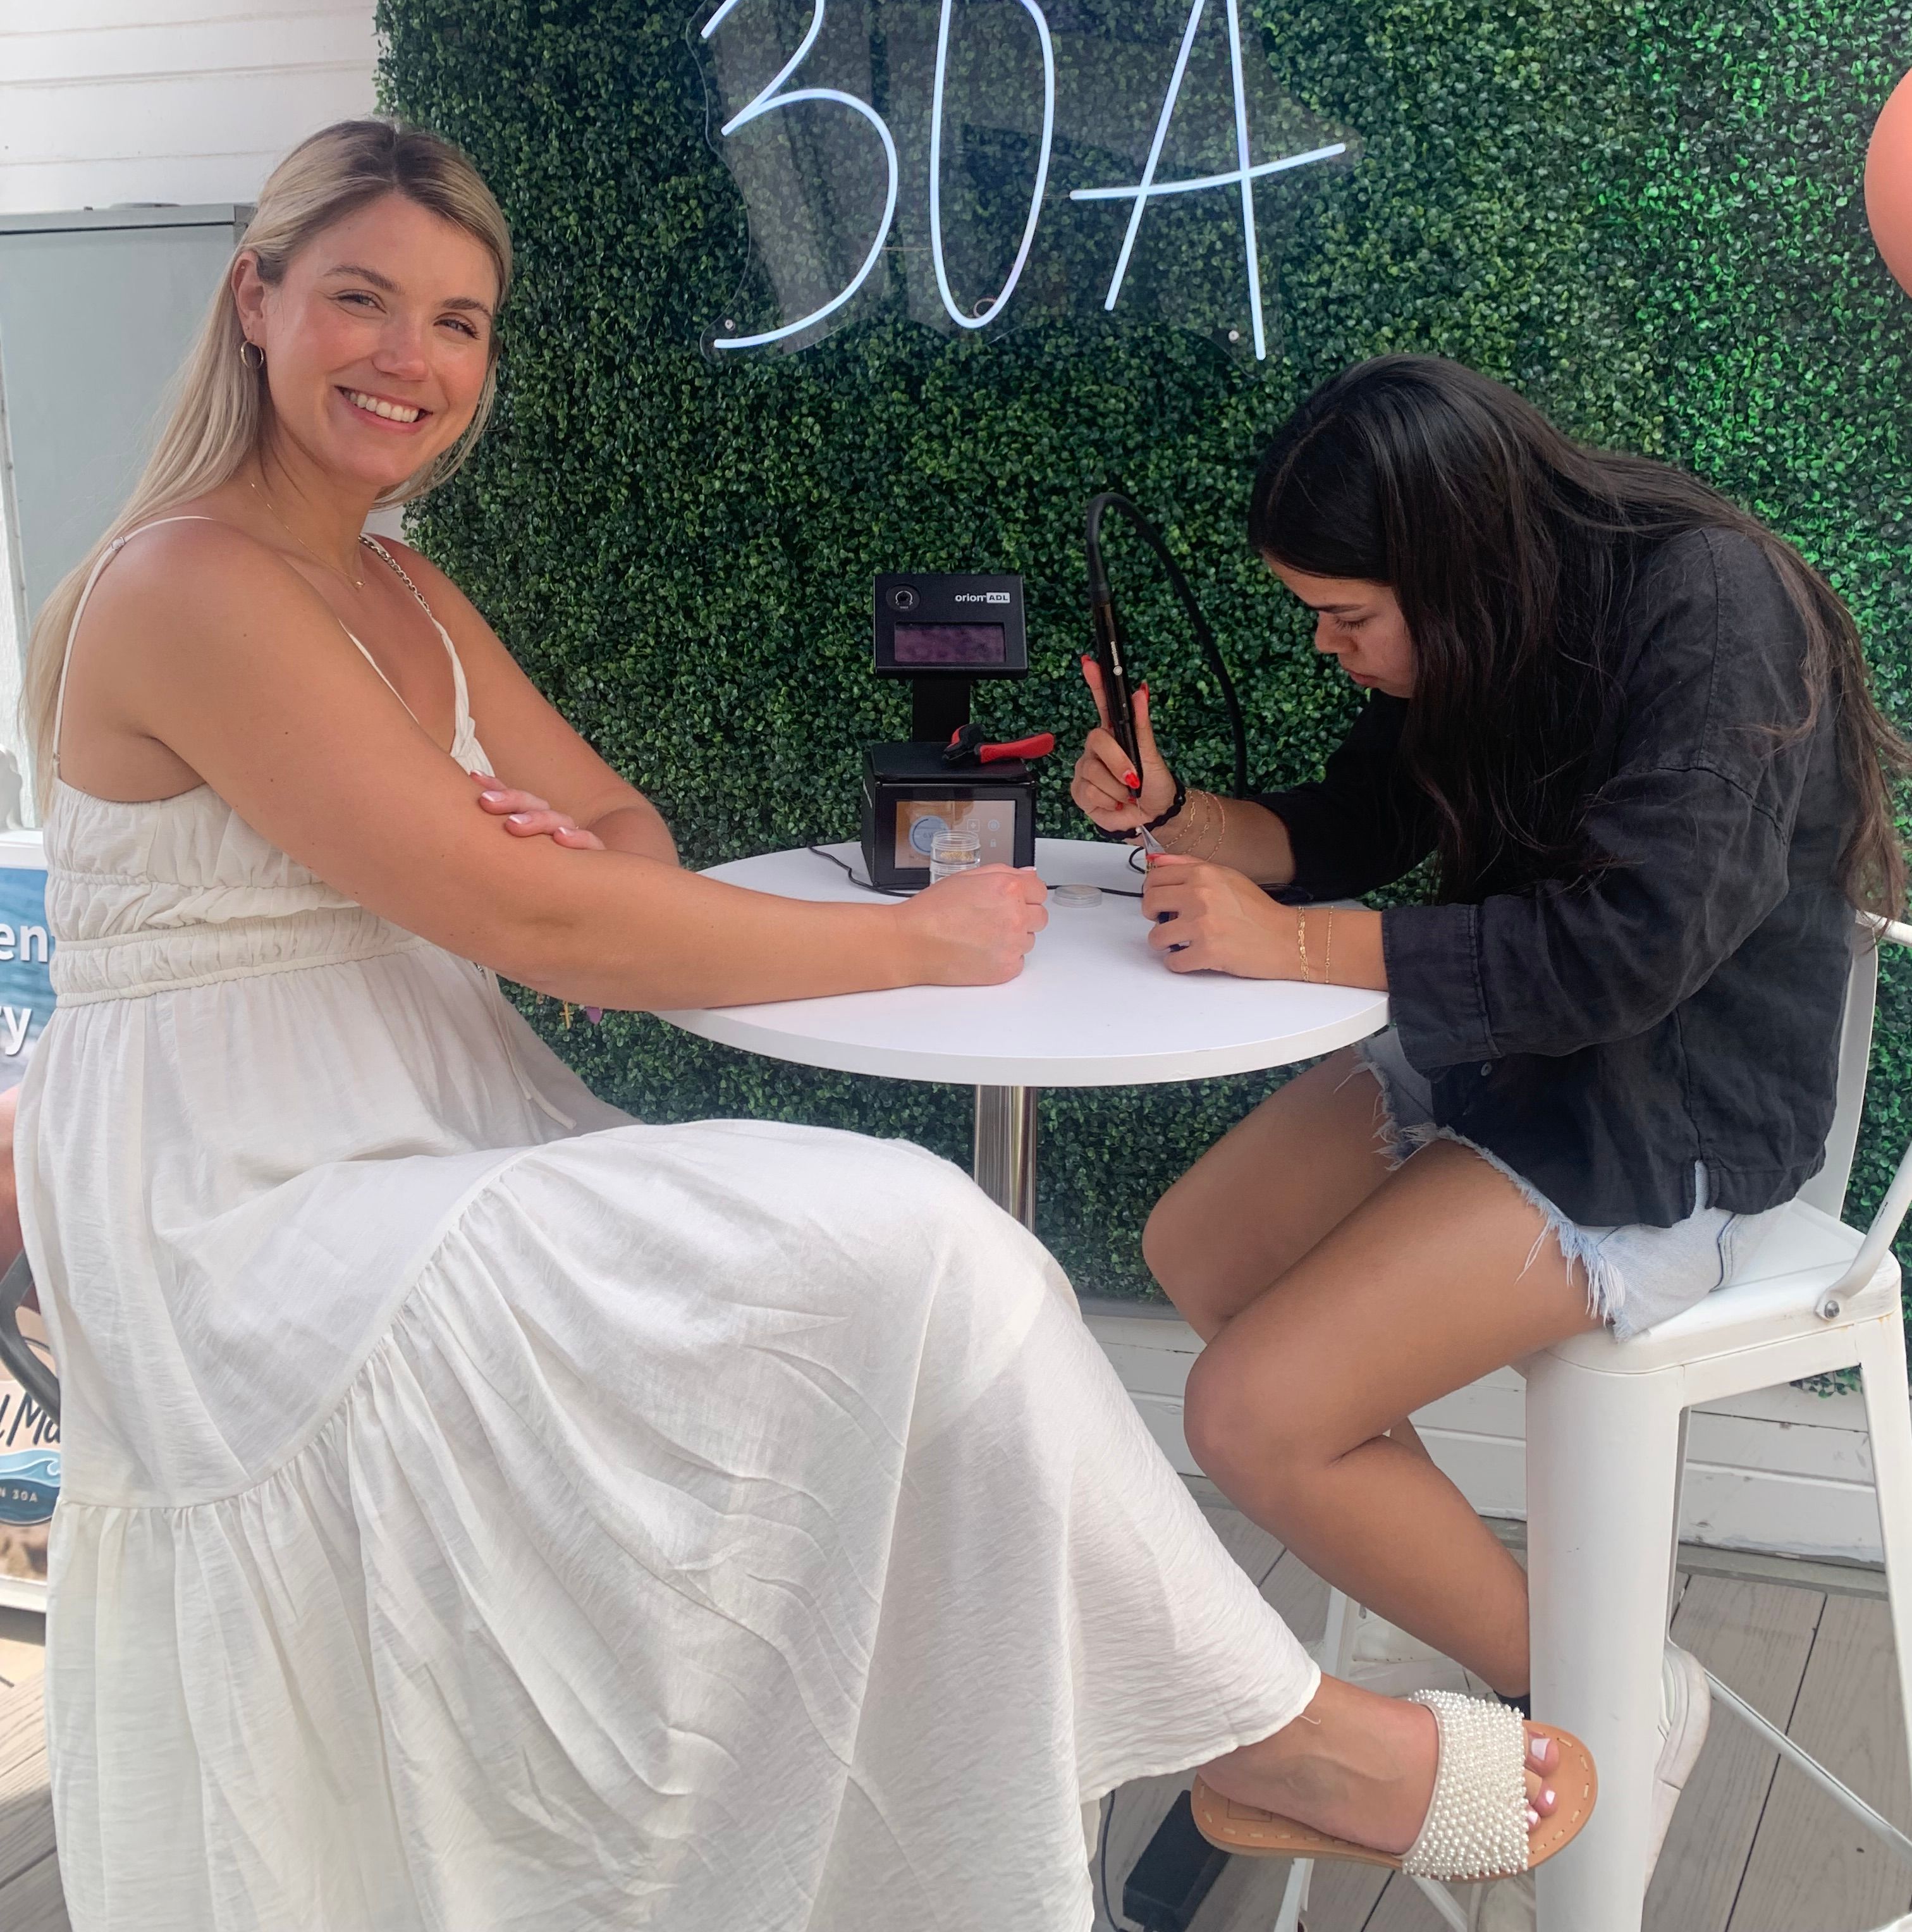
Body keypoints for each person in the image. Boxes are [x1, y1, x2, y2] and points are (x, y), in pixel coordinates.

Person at [13, 134, 1585, 1932]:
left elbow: (612, 847)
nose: (412, 359)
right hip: (248, 1194)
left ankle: (1155, 1754)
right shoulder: (191, 585)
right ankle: (1273, 1734)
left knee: (925, 1297)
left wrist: (538, 867)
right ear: (257, 300)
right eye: (362, 297)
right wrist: (905, 947)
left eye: (459, 320)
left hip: (417, 1118)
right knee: (918, 1248)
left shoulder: (405, 592)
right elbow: (543, 914)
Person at [1072, 352, 1909, 1888]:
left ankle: (1606, 1693)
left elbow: (1635, 948)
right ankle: (1508, 1636)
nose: (1331, 653)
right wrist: (1173, 815)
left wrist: (1303, 947)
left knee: (1251, 1414)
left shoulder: (1709, 607)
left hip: (1675, 1101)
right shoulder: (1491, 618)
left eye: (1347, 618)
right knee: (1200, 1245)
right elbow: (1352, 826)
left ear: (1452, 564)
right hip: (1515, 1053)